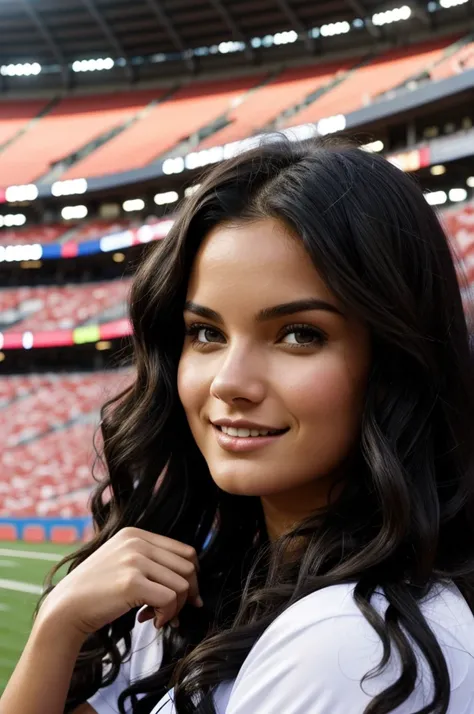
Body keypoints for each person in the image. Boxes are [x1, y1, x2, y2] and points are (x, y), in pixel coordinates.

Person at [2, 137, 474, 714]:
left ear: (394, 359)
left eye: (300, 334)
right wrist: (58, 627)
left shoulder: (353, 649)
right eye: (207, 333)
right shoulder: (210, 581)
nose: (229, 381)